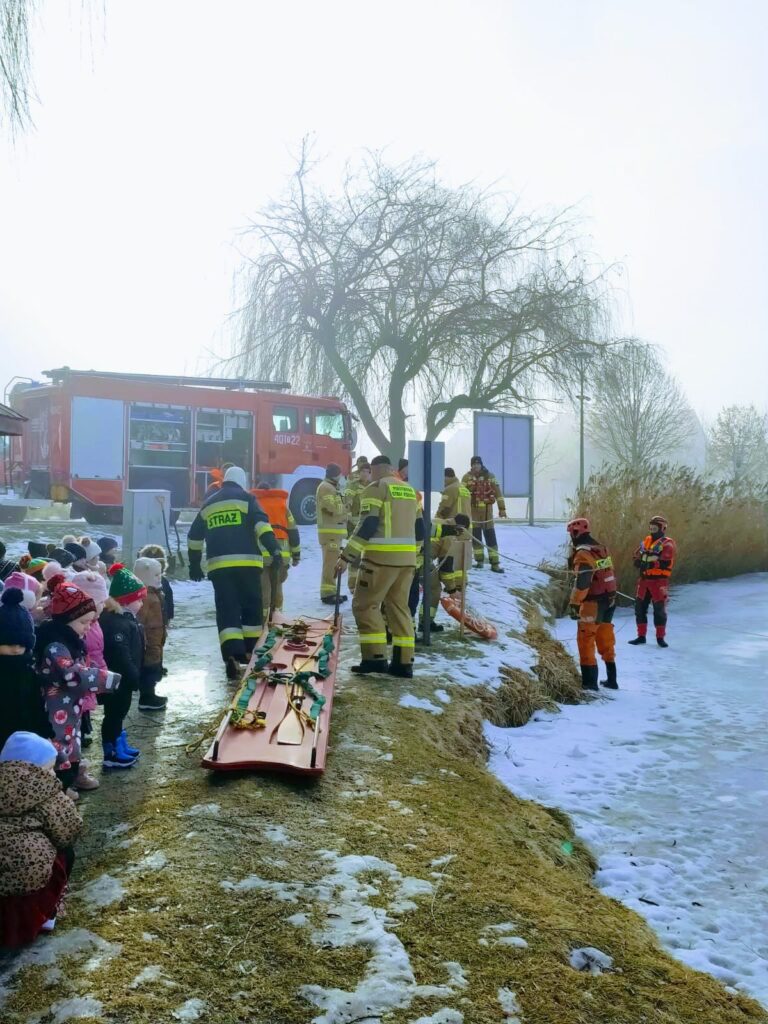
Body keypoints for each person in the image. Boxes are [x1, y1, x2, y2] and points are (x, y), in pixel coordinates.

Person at [187, 465, 282, 680]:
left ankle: (231, 654)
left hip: (219, 568)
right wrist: (274, 549)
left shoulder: (209, 504)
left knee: (227, 608)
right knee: (251, 607)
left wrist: (194, 565)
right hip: (248, 565)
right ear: (242, 482)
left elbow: (194, 537)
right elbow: (262, 526)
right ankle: (250, 651)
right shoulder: (247, 499)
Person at [35, 576, 122, 795]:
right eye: (84, 622)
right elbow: (73, 675)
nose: (88, 627)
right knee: (60, 745)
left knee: (72, 741)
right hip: (56, 708)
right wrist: (105, 679)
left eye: (91, 622)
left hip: (69, 706)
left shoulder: (70, 641)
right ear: (67, 619)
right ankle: (61, 788)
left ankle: (72, 777)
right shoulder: (56, 646)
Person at [338, 455, 421, 678]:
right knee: (399, 608)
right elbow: (420, 528)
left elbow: (369, 523)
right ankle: (404, 664)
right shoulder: (410, 490)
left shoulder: (375, 488)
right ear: (392, 469)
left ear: (375, 470)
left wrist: (347, 556)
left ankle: (375, 658)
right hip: (407, 562)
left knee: (365, 605)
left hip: (379, 560)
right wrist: (416, 555)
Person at [0, 731, 83, 946]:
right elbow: (69, 831)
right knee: (67, 852)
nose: (53, 774)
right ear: (34, 768)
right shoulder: (46, 790)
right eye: (49, 768)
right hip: (30, 881)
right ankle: (48, 913)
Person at [99, 564, 147, 767]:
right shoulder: (116, 624)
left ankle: (119, 741)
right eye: (139, 599)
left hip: (124, 679)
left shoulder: (125, 619)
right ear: (126, 601)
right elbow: (121, 656)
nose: (142, 603)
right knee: (114, 713)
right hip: (118, 680)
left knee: (119, 713)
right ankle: (111, 752)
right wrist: (133, 676)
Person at [566, 517, 618, 691]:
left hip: (592, 603)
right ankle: (612, 680)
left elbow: (583, 582)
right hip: (609, 600)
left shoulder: (583, 553)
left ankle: (589, 685)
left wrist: (574, 603)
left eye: (571, 534)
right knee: (605, 639)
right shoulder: (601, 548)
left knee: (586, 640)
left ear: (575, 533)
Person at [69, 570, 108, 782]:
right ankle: (75, 772)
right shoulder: (83, 626)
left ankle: (78, 768)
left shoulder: (94, 623)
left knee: (81, 727)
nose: (103, 605)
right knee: (75, 731)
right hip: (80, 686)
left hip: (90, 681)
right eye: (99, 601)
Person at [0, 587, 49, 752]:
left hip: (25, 736)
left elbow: (36, 702)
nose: (15, 650)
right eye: (8, 644)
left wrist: (43, 729)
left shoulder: (29, 670)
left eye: (21, 645)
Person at [252, 482, 301, 620]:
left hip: (260, 555)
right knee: (278, 588)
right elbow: (293, 531)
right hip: (281, 555)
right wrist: (296, 555)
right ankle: (277, 620)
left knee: (264, 590)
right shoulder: (283, 506)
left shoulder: (254, 505)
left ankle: (263, 623)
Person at [629, 514, 677, 648]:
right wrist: (637, 561)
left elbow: (665, 561)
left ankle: (660, 638)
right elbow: (636, 554)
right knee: (639, 608)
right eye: (651, 527)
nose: (652, 530)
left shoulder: (668, 543)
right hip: (644, 580)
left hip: (659, 581)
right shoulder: (646, 541)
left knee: (659, 610)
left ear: (662, 528)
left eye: (655, 528)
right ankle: (641, 636)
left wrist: (650, 564)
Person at [133, 557, 168, 711]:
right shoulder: (145, 596)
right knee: (149, 667)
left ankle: (151, 694)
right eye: (155, 575)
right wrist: (143, 638)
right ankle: (147, 697)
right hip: (149, 638)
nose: (159, 577)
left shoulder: (155, 592)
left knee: (154, 664)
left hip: (156, 636)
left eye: (160, 574)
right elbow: (140, 619)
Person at [462, 456, 507, 572]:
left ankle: (495, 563)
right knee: (476, 538)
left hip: (487, 513)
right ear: (471, 465)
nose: (476, 466)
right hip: (473, 513)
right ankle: (479, 561)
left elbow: (498, 493)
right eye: (474, 464)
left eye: (478, 463)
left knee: (491, 537)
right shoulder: (466, 478)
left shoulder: (490, 476)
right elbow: (461, 494)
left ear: (481, 464)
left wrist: (502, 509)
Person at [435, 469, 473, 594]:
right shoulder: (464, 489)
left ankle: (451, 587)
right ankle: (461, 584)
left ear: (447, 477)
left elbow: (444, 509)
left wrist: (436, 523)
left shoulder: (450, 489)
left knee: (449, 558)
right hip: (466, 528)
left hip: (453, 528)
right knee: (460, 559)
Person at [316, 463, 349, 605]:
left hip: (334, 533)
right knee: (329, 564)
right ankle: (327, 594)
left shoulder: (332, 488)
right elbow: (331, 507)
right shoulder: (326, 488)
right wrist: (345, 508)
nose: (342, 477)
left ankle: (332, 591)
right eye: (340, 474)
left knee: (332, 563)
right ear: (336, 475)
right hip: (329, 533)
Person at [138, 543, 175, 624]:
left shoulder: (163, 581)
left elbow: (169, 599)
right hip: (147, 622)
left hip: (160, 620)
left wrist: (169, 617)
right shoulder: (140, 581)